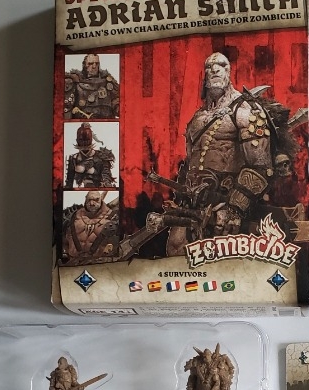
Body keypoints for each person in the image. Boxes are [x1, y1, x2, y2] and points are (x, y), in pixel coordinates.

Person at [148, 52, 287, 255]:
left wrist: (235, 209)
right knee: (175, 249)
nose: (214, 69)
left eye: (221, 65)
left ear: (229, 72)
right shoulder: (197, 117)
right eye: (209, 67)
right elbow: (191, 162)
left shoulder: (246, 111)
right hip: (193, 201)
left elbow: (261, 166)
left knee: (219, 260)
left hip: (227, 200)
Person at [62, 190, 119, 265]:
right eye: (89, 200)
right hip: (72, 263)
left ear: (101, 199)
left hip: (100, 265)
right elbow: (65, 240)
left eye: (96, 200)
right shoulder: (74, 216)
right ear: (85, 199)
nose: (92, 203)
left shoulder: (112, 217)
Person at [64, 53, 120, 119]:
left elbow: (116, 101)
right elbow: (67, 108)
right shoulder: (75, 81)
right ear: (84, 65)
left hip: (106, 121)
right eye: (90, 63)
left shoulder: (107, 81)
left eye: (97, 63)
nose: (94, 66)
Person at [65, 122, 116, 189]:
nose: (84, 143)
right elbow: (69, 183)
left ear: (91, 140)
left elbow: (106, 179)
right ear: (77, 140)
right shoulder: (74, 159)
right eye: (81, 140)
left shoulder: (102, 156)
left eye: (87, 140)